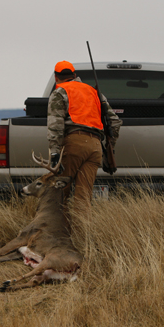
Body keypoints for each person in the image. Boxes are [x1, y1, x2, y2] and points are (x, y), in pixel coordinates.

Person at [47, 60, 122, 221]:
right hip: (95, 147)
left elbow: (55, 124)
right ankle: (83, 239)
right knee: (83, 199)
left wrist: (54, 152)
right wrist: (109, 148)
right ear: (75, 75)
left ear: (56, 77)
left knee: (60, 194)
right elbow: (114, 122)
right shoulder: (95, 92)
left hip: (73, 145)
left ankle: (59, 237)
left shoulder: (60, 92)